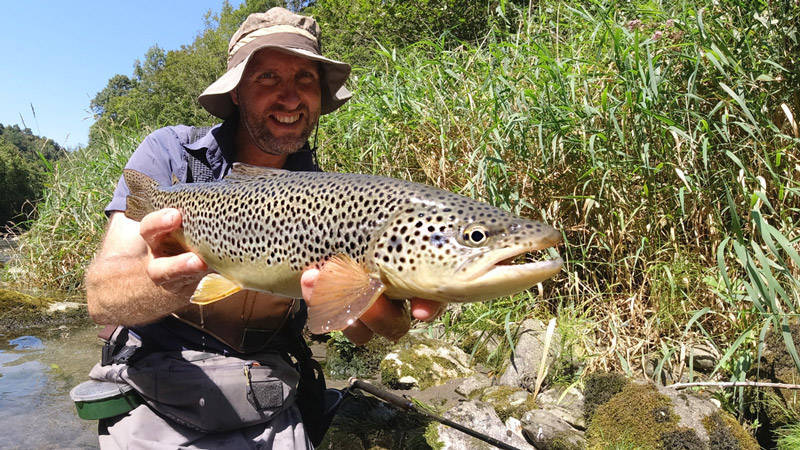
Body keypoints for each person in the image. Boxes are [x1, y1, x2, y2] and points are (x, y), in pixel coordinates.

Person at [84, 7, 444, 449]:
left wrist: (362, 309)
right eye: (268, 78)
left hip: (271, 390)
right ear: (236, 93)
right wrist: (171, 280)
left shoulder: (330, 196)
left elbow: (341, 320)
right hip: (158, 382)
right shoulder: (169, 157)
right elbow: (102, 300)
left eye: (305, 79)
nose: (290, 98)